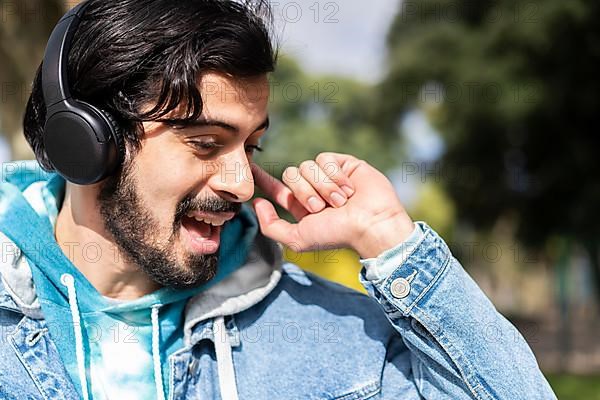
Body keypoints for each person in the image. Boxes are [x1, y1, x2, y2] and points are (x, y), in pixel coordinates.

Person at [0, 0, 556, 399]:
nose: (242, 183)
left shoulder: (332, 336)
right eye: (206, 143)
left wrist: (390, 238)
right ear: (87, 140)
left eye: (253, 144)